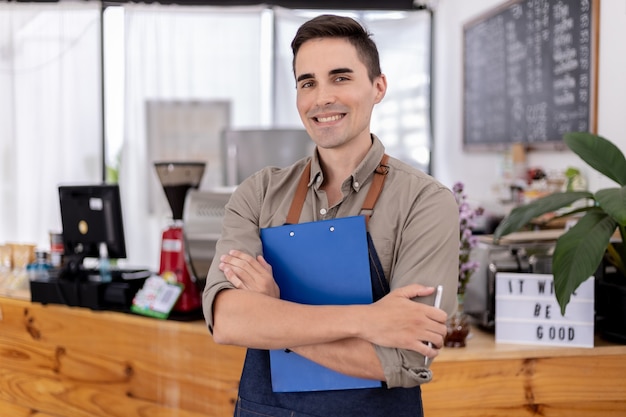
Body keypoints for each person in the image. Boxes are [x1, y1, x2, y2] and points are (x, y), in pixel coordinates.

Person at [202, 14, 459, 417]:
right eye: (308, 83)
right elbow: (230, 320)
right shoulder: (259, 193)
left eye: (340, 78)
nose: (322, 97)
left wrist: (274, 312)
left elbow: (405, 359)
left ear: (378, 87)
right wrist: (368, 320)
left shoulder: (424, 202)